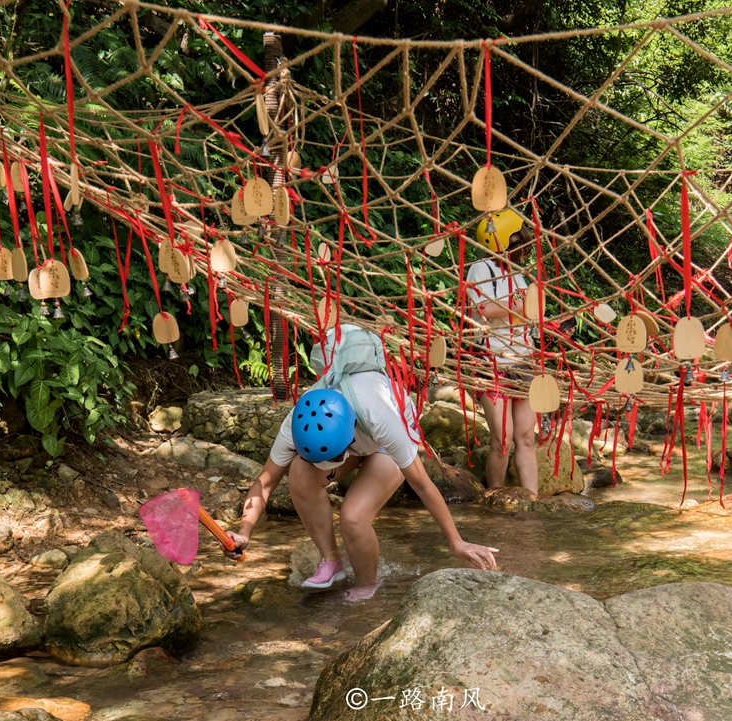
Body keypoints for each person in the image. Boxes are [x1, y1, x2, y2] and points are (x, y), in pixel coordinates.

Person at [220, 380, 499, 601]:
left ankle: (368, 586)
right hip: (355, 438)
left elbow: (422, 483)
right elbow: (265, 483)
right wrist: (244, 532)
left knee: (353, 517)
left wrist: (456, 541)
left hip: (386, 443)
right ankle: (331, 561)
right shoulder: (297, 425)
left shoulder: (383, 420)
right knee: (300, 472)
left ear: (350, 437)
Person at [466, 208, 539, 494]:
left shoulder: (518, 274)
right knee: (502, 440)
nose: (524, 245)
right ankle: (494, 498)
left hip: (524, 360)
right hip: (492, 362)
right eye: (519, 238)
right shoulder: (481, 268)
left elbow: (527, 315)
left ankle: (532, 502)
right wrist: (523, 307)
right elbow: (483, 310)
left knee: (525, 438)